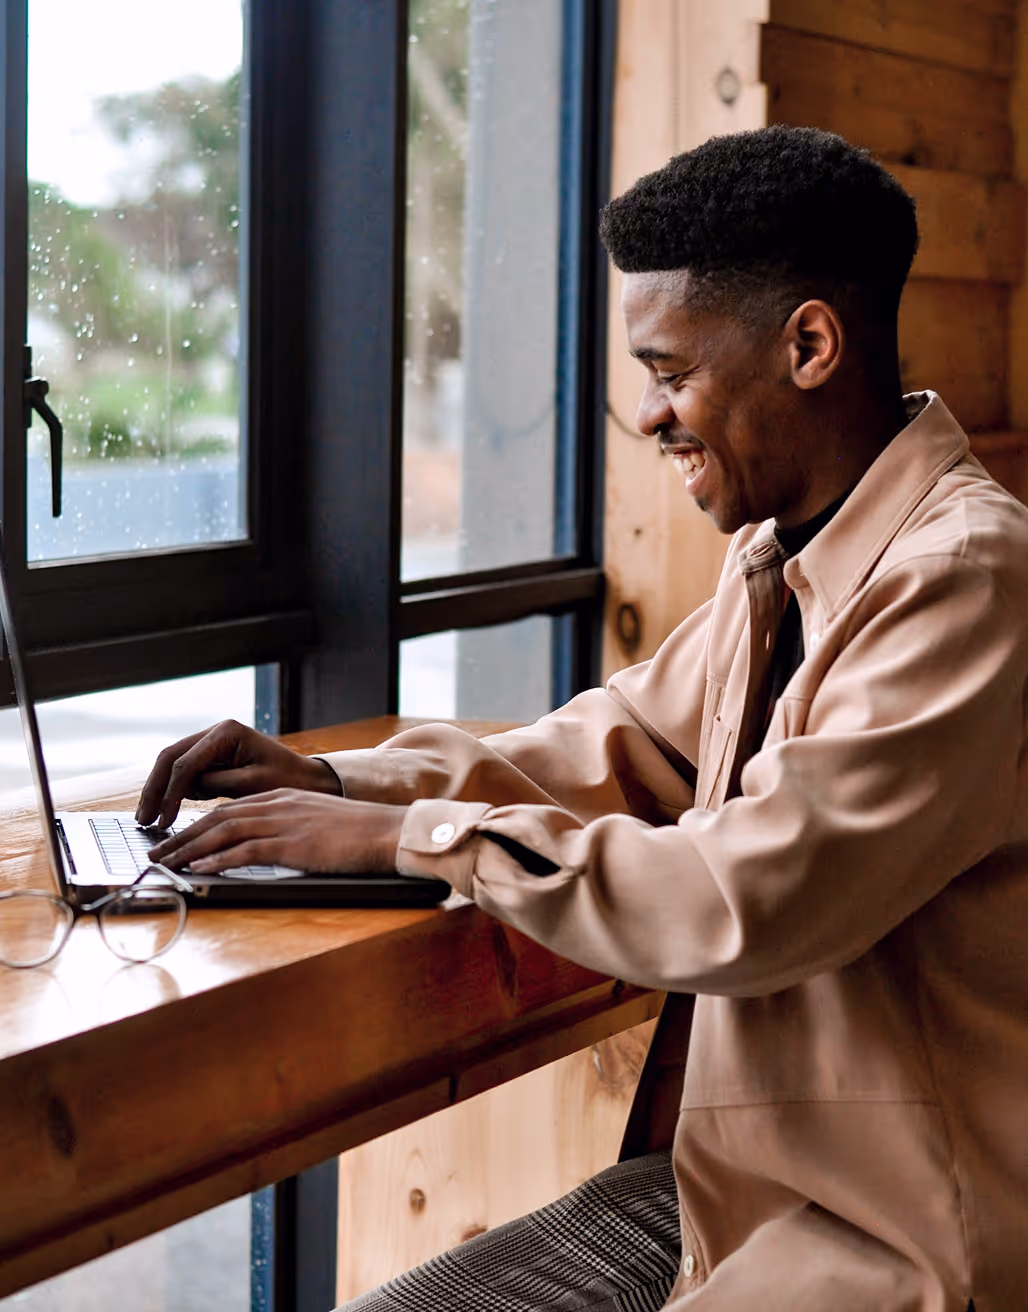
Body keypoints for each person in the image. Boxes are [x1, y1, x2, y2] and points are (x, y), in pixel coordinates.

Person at [138, 127, 1028, 1310]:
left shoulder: (961, 577)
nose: (648, 417)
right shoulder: (786, 548)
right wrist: (346, 786)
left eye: (668, 372)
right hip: (742, 1195)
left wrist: (409, 844)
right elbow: (625, 745)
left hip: (900, 1244)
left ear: (808, 344)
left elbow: (745, 899)